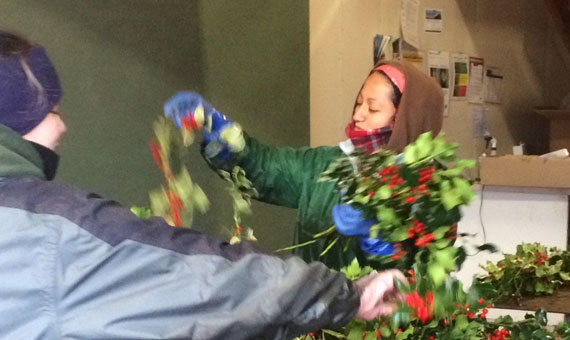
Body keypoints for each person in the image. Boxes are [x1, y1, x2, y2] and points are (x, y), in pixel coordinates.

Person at [0, 30, 405, 340]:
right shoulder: (54, 237)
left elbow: (430, 263)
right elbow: (216, 268)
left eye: (376, 107)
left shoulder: (421, 179)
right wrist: (225, 139)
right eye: (53, 110)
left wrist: (391, 240)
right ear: (19, 118)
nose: (62, 127)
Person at [164, 60, 444, 269]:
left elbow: (424, 272)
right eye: (358, 103)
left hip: (382, 338)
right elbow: (266, 168)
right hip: (316, 327)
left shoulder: (427, 187)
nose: (358, 115)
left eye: (372, 108)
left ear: (405, 121)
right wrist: (225, 137)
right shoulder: (326, 165)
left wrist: (380, 240)